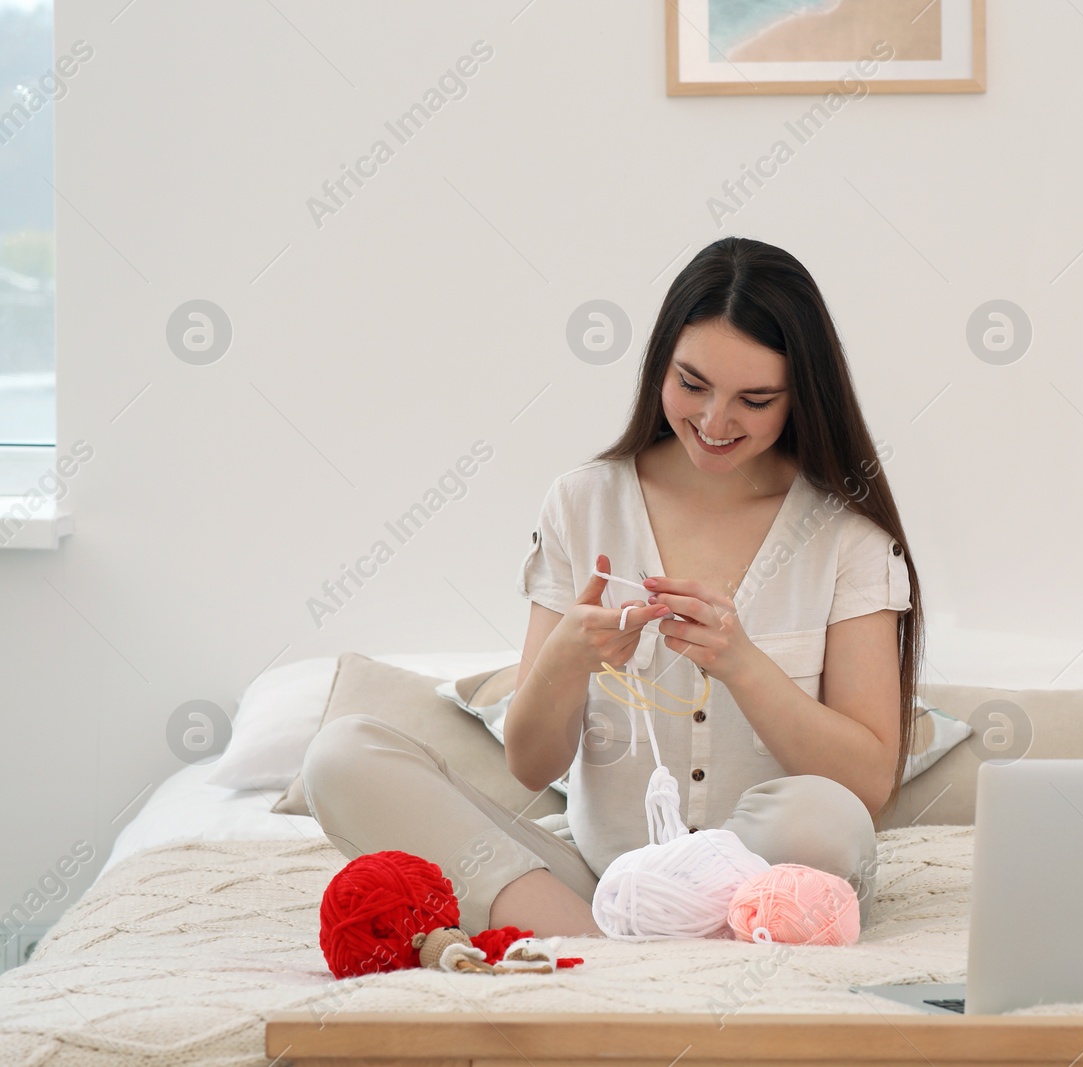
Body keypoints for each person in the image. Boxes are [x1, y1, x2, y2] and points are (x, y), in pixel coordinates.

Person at [301, 236, 924, 940]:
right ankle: (612, 949)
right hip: (597, 891)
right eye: (691, 384)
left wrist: (742, 663)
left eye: (754, 399)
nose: (715, 423)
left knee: (824, 817)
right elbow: (532, 762)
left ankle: (623, 949)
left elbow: (867, 785)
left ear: (801, 397)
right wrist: (568, 658)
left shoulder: (847, 540)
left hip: (767, 884)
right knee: (341, 755)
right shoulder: (581, 503)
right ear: (658, 365)